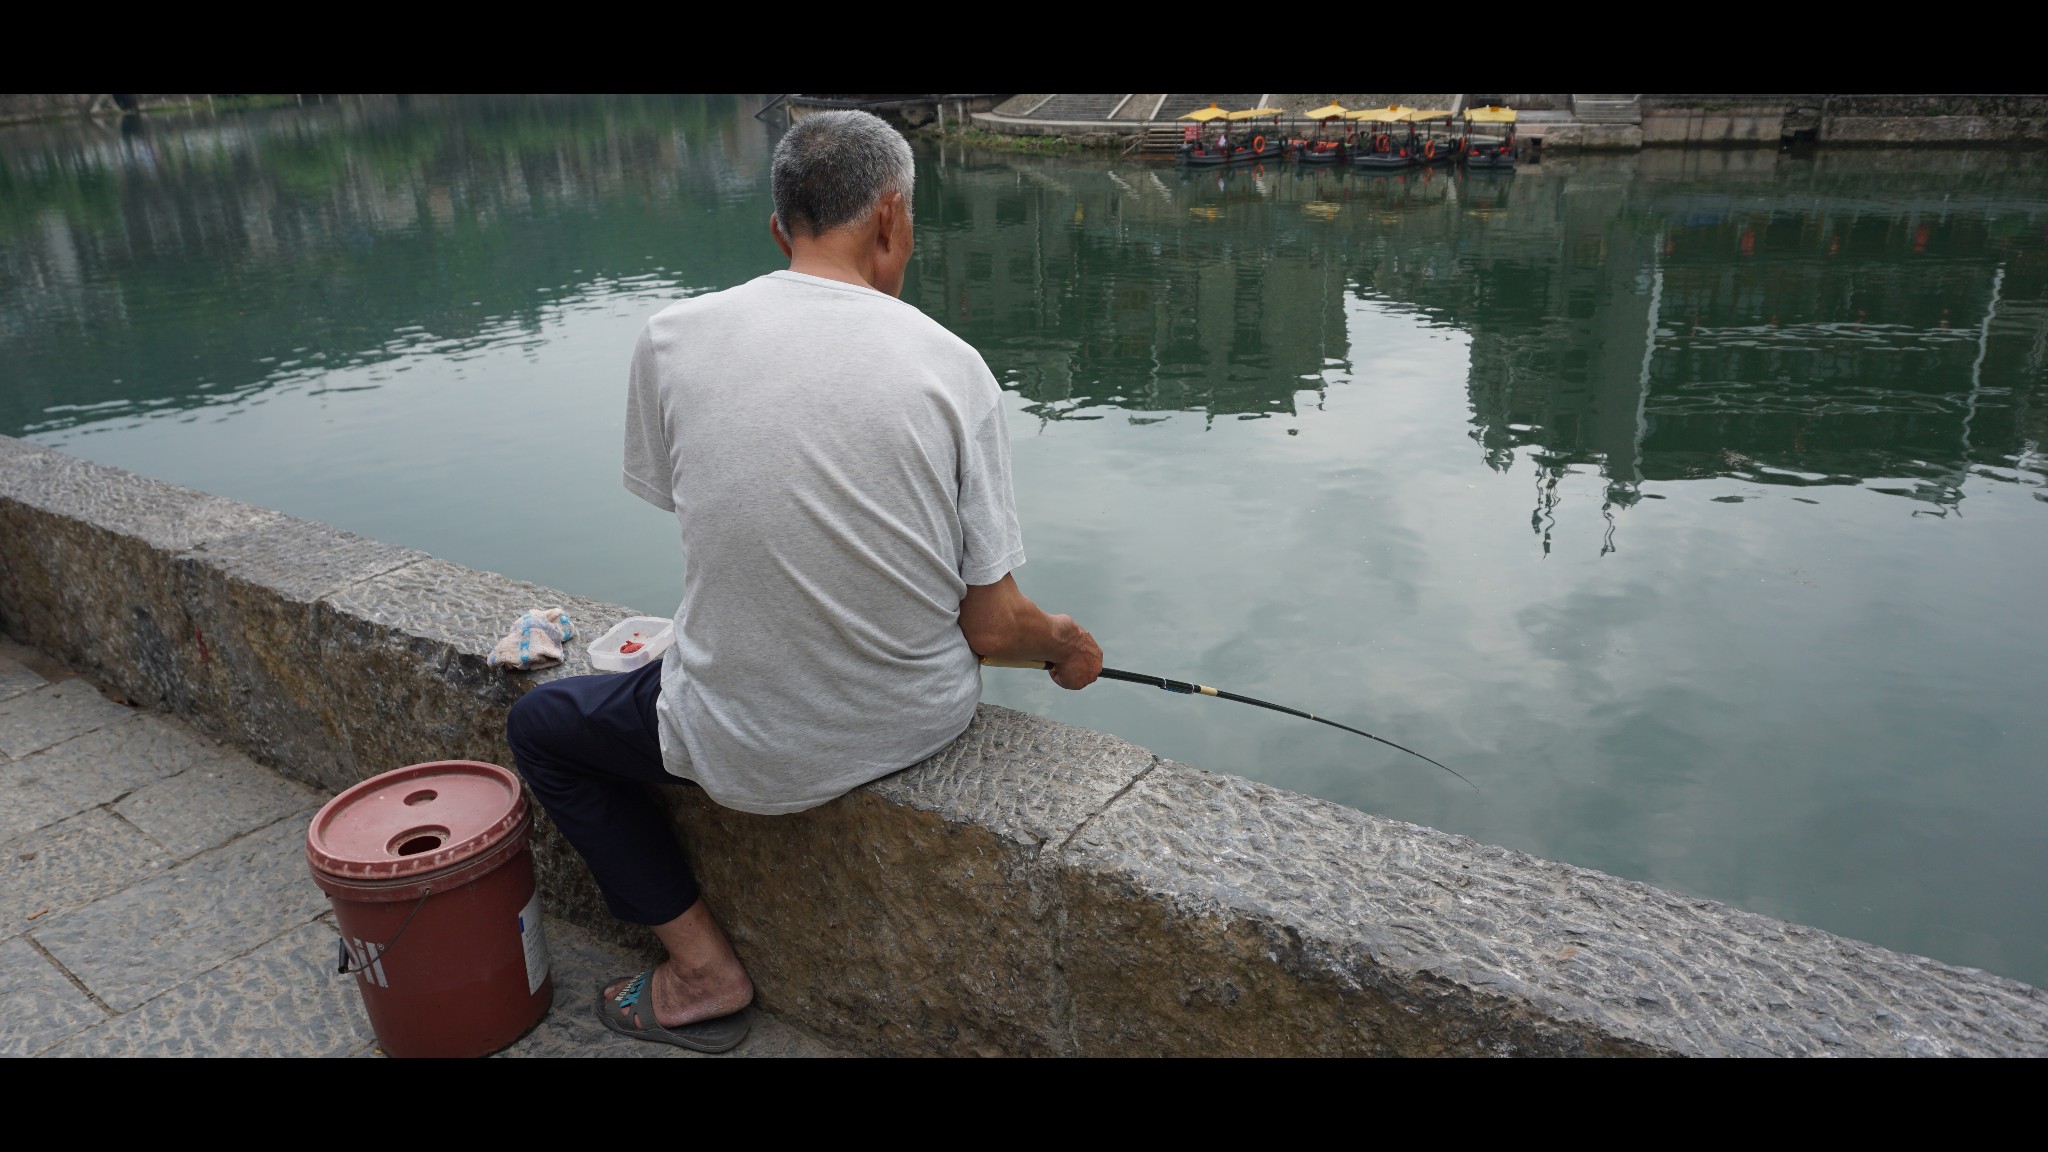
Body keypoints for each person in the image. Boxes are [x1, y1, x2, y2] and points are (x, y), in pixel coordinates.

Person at [505, 110, 1102, 1052]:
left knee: (542, 726)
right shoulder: (954, 367)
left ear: (779, 229)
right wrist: (1066, 646)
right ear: (894, 220)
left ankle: (699, 968)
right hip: (913, 723)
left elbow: (732, 518)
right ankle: (704, 973)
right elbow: (994, 627)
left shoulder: (671, 338)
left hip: (731, 741)